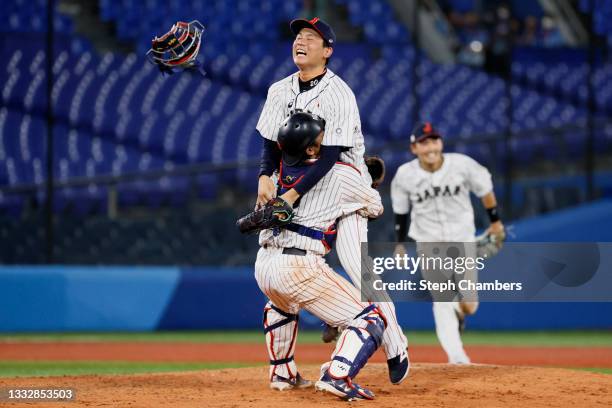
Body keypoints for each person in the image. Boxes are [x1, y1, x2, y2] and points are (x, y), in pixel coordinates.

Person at [255, 16, 409, 383]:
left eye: (312, 37)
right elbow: (269, 142)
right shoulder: (279, 90)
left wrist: (290, 194)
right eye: (298, 36)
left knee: (359, 270)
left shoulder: (339, 93)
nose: (301, 42)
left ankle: (395, 344)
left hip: (343, 188)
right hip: (301, 184)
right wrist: (264, 176)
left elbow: (330, 156)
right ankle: (325, 323)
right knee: (295, 256)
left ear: (328, 51)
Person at [255, 111, 386, 400]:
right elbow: (375, 207)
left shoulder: (272, 175)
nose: (328, 140)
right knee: (370, 318)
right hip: (300, 265)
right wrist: (365, 180)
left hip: (265, 263)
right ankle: (338, 375)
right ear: (312, 148)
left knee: (282, 306)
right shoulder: (339, 173)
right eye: (321, 137)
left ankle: (282, 373)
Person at [390, 122, 505, 364]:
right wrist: (400, 243)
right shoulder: (405, 175)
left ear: (440, 143)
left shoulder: (462, 164)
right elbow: (401, 211)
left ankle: (459, 312)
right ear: (414, 148)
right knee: (441, 299)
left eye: (433, 140)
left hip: (463, 239)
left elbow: (485, 187)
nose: (430, 146)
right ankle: (457, 356)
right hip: (428, 242)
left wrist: (495, 222)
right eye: (423, 142)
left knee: (470, 305)